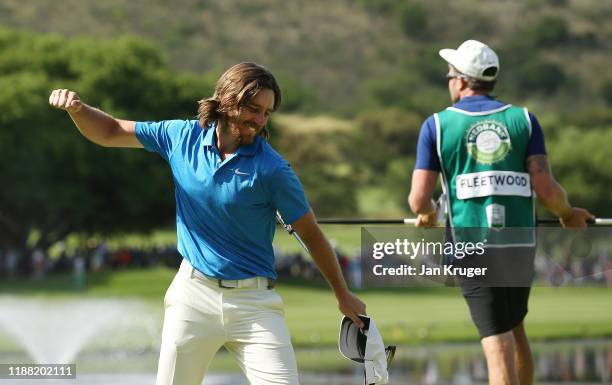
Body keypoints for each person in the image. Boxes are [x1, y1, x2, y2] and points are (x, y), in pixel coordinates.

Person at [49, 62, 366, 385]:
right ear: (227, 100)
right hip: (192, 296)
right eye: (253, 109)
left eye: (267, 113)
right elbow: (111, 131)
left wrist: (342, 295)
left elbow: (311, 235)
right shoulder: (180, 137)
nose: (259, 120)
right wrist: (78, 110)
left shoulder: (273, 170)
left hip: (254, 305)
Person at [407, 40, 593, 385]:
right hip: (520, 245)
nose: (449, 81)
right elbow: (548, 190)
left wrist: (431, 213)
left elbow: (419, 201)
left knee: (497, 341)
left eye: (450, 75)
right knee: (513, 327)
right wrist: (567, 212)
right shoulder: (524, 119)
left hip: (471, 241)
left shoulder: (436, 125)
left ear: (462, 80)